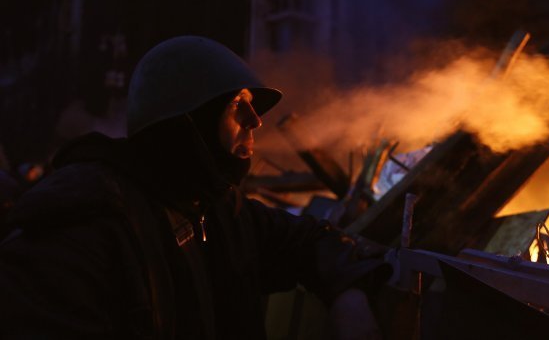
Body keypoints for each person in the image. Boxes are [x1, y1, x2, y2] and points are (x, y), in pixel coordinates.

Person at [0, 36, 390, 339]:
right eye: (239, 105)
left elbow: (306, 240)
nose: (255, 121)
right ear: (189, 122)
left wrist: (348, 293)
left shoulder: (215, 208)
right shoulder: (82, 227)